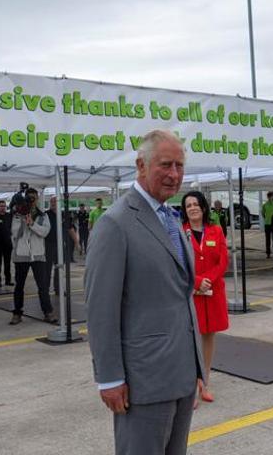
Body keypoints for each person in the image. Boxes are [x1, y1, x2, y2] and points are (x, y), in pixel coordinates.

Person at [85, 129, 205, 455]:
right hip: (143, 381)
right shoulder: (115, 223)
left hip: (179, 374)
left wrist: (193, 368)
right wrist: (109, 378)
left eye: (180, 166)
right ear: (141, 165)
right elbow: (100, 310)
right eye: (165, 165)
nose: (174, 175)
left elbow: (180, 296)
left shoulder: (171, 217)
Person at [181, 190, 228, 405]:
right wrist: (197, 281)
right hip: (192, 293)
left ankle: (205, 383)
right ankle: (191, 387)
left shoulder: (216, 231)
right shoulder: (181, 233)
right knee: (192, 339)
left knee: (209, 336)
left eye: (195, 204)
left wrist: (208, 279)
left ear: (203, 207)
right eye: (188, 205)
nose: (192, 208)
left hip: (213, 292)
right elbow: (179, 262)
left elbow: (223, 261)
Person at [10, 188, 55, 325]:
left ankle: (48, 312)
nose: (31, 200)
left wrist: (32, 224)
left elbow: (44, 232)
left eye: (33, 198)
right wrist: (24, 219)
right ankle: (17, 313)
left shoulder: (43, 216)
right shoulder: (18, 215)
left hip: (38, 255)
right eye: (29, 198)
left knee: (43, 285)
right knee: (19, 286)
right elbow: (15, 233)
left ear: (37, 199)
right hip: (21, 255)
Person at [261, 191, 273, 258]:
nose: (270, 198)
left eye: (271, 196)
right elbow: (263, 213)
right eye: (269, 196)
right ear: (267, 197)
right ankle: (268, 253)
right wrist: (267, 218)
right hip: (267, 223)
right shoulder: (265, 205)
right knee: (267, 239)